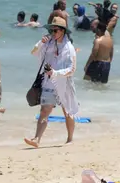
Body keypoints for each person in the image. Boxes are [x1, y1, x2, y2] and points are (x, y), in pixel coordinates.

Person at [25, 17, 79, 148]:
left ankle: (70, 139)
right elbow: (33, 52)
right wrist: (40, 44)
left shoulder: (69, 48)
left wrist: (56, 73)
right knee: (44, 110)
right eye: (51, 30)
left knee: (67, 112)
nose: (52, 33)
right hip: (48, 83)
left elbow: (72, 69)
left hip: (64, 84)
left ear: (62, 31)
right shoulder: (47, 43)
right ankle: (37, 139)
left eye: (55, 31)